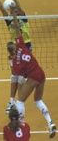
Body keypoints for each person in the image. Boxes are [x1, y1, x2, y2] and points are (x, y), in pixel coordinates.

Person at [6, 10, 57, 138]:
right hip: (41, 74)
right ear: (15, 47)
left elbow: (18, 78)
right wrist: (13, 14)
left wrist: (11, 62)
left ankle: (21, 124)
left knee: (20, 101)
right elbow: (17, 28)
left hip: (33, 77)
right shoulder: (22, 46)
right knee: (38, 100)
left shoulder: (15, 65)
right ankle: (50, 123)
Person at [0, 0, 32, 113]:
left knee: (22, 77)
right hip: (15, 48)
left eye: (16, 10)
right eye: (13, 10)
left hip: (26, 47)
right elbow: (2, 11)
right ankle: (12, 102)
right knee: (14, 76)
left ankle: (19, 103)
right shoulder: (9, 20)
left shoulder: (23, 17)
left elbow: (20, 9)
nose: (15, 11)